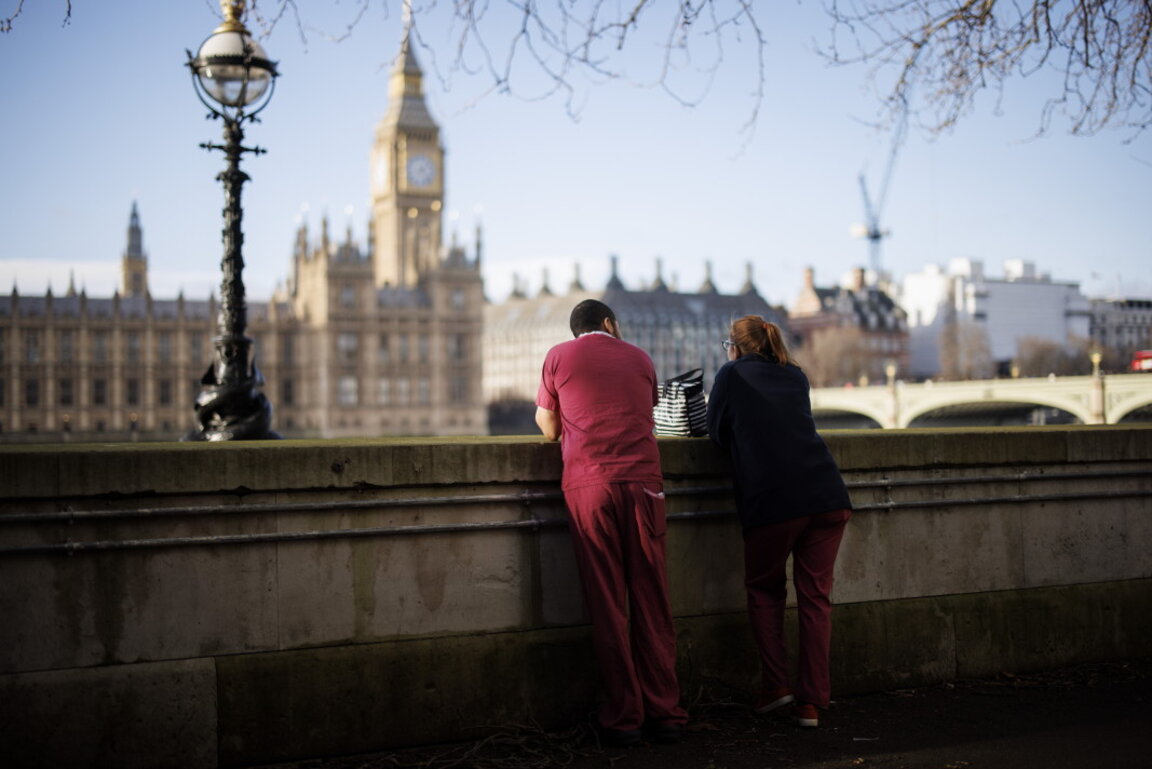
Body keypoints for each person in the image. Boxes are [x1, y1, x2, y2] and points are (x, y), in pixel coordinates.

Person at [535, 299, 688, 747]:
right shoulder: (640, 356)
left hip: (590, 485)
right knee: (652, 599)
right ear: (609, 324)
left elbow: (549, 427)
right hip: (644, 483)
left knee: (608, 605)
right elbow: (647, 410)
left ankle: (624, 720)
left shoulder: (559, 356)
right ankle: (667, 715)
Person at [705, 315, 853, 729]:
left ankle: (776, 687)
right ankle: (811, 702)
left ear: (733, 346)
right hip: (827, 495)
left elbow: (716, 433)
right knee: (815, 599)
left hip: (774, 499)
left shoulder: (732, 374)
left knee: (766, 590)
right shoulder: (796, 375)